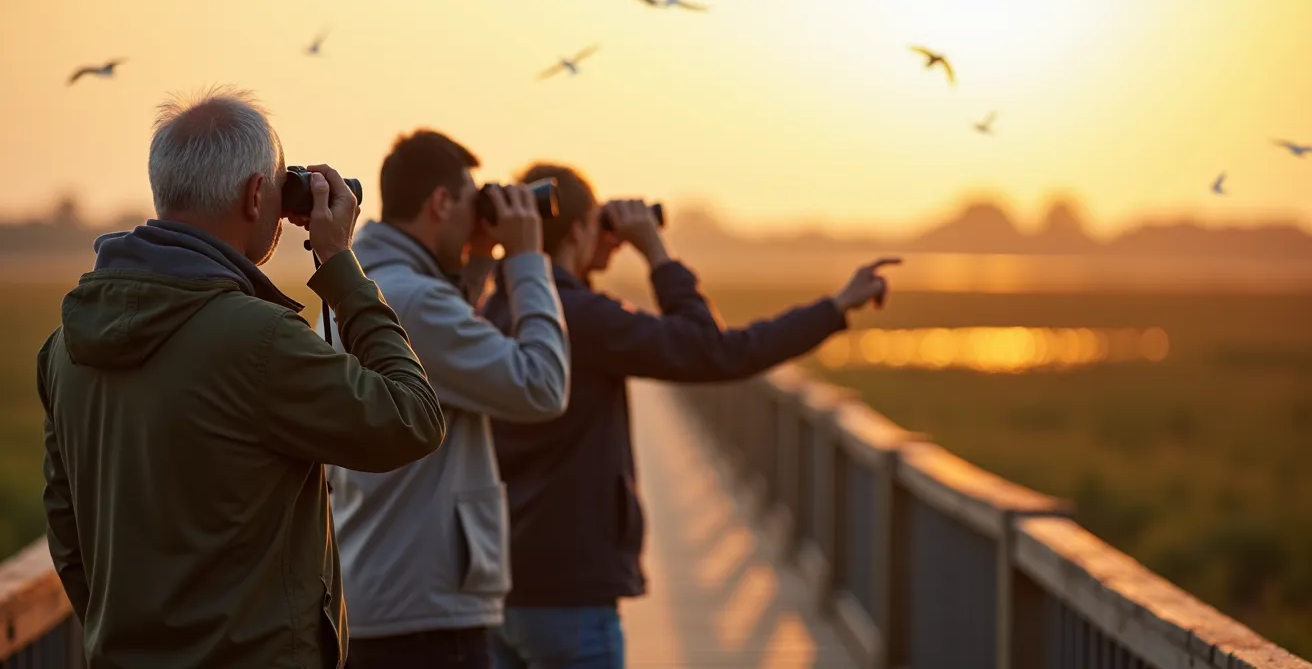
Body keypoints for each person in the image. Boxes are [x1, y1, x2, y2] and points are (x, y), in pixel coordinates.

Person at [36, 88, 447, 669]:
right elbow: (413, 418)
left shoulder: (63, 347)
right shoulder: (259, 339)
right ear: (257, 195)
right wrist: (341, 267)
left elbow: (67, 534)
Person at [483, 163, 899, 668]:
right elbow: (714, 350)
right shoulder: (584, 319)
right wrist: (654, 251)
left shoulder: (492, 310)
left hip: (498, 584)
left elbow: (556, 290)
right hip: (570, 590)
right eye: (595, 224)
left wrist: (585, 253)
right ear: (577, 232)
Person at [318, 130, 570, 669]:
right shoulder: (414, 301)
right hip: (425, 616)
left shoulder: (372, 286)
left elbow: (445, 357)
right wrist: (527, 261)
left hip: (384, 594)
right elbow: (543, 386)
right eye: (471, 200)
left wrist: (476, 261)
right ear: (441, 202)